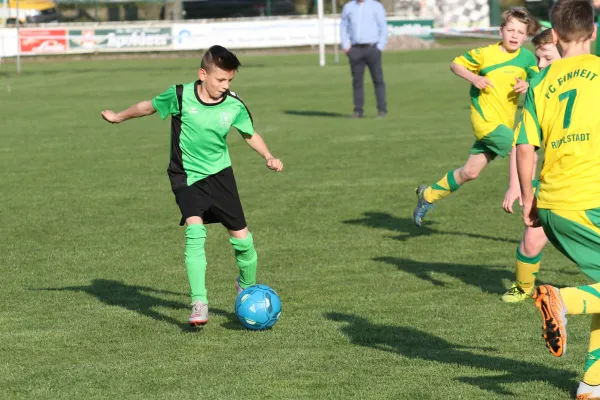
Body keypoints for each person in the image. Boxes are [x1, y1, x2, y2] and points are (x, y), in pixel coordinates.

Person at [100, 45, 284, 327]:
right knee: (195, 231)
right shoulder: (180, 95)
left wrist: (268, 155)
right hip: (186, 176)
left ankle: (246, 287)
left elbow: (249, 133)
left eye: (229, 81)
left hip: (221, 176)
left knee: (243, 241)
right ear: (202, 74)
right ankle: (200, 303)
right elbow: (147, 107)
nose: (225, 86)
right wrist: (118, 116)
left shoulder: (234, 104)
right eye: (220, 80)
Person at [515, 1, 600, 397]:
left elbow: (525, 148)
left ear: (556, 35)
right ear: (593, 32)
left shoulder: (541, 82)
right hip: (590, 200)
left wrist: (530, 198)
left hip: (552, 202)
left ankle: (591, 385)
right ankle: (561, 300)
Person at [412, 6, 538, 227]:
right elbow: (455, 64)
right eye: (511, 30)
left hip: (503, 124)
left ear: (526, 35)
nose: (515, 36)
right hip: (485, 123)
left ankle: (429, 194)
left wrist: (528, 85)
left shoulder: (527, 58)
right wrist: (473, 78)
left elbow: (538, 81)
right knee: (520, 148)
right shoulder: (485, 54)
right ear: (501, 32)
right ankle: (517, 189)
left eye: (520, 32)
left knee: (470, 172)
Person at [501, 28, 562, 303]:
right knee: (532, 237)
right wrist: (516, 185)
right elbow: (523, 143)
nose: (539, 66)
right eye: (538, 59)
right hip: (556, 177)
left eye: (547, 58)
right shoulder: (540, 93)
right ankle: (523, 287)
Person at [340, 0, 388, 118]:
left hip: (372, 48)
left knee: (378, 80)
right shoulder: (348, 7)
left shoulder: (376, 6)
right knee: (357, 81)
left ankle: (382, 109)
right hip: (355, 49)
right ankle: (358, 110)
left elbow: (383, 26)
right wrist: (345, 46)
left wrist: (380, 46)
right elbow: (343, 26)